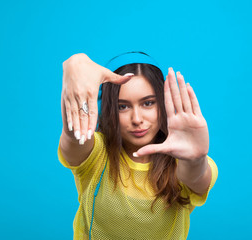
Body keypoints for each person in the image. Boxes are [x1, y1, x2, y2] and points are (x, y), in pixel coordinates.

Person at [57, 52, 218, 240]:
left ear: (163, 103)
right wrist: (75, 64)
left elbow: (197, 177)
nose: (137, 119)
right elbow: (74, 135)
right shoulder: (96, 154)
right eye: (122, 106)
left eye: (148, 103)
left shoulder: (183, 160)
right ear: (108, 108)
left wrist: (195, 160)